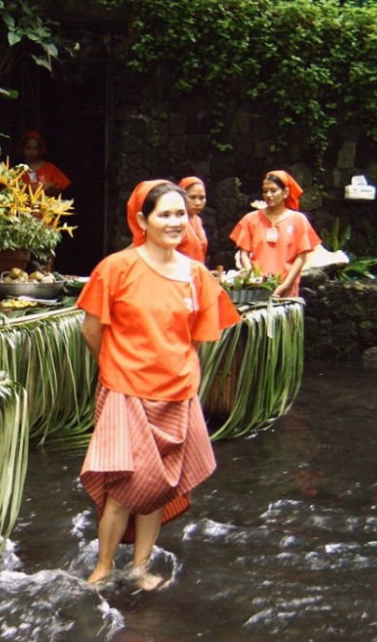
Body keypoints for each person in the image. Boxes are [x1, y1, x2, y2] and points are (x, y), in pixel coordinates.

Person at [76, 180, 241, 590]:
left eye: (180, 214)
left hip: (176, 393)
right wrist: (117, 369)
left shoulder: (197, 276)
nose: (174, 222)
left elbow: (198, 337)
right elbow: (91, 330)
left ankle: (140, 568)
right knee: (121, 485)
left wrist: (182, 380)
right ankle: (104, 567)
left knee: (159, 484)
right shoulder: (116, 267)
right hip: (126, 389)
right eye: (164, 214)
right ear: (141, 220)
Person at [229, 170, 317, 297]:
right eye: (265, 191)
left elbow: (301, 257)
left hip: (287, 288)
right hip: (256, 289)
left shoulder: (298, 220)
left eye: (273, 190)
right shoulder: (251, 219)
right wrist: (254, 280)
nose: (268, 195)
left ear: (286, 192)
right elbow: (244, 254)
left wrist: (285, 285)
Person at [17, 130, 71, 197]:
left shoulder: (50, 168)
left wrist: (51, 186)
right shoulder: (18, 171)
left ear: (40, 150)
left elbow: (61, 191)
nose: (32, 152)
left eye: (35, 149)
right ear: (22, 149)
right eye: (28, 148)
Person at [177, 176, 208, 263]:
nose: (198, 203)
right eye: (192, 197)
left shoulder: (198, 220)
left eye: (202, 198)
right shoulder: (174, 222)